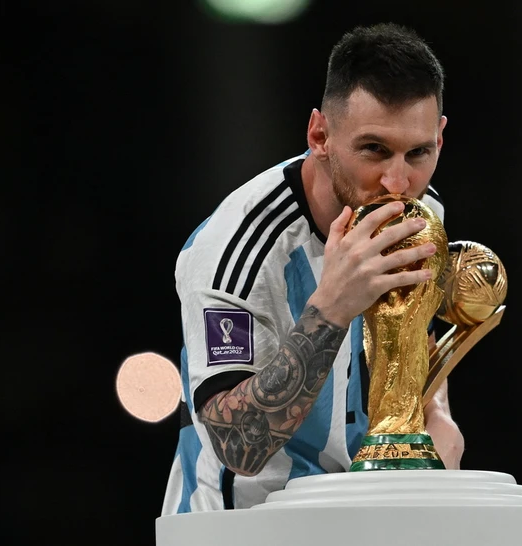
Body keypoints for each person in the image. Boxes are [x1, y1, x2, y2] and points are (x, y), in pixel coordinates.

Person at [162, 22, 464, 514]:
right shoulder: (234, 249)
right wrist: (331, 308)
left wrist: (437, 414)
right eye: (374, 150)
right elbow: (237, 447)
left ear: (440, 139)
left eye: (419, 153)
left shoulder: (423, 211)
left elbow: (414, 335)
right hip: (241, 528)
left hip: (354, 518)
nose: (398, 181)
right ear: (320, 135)